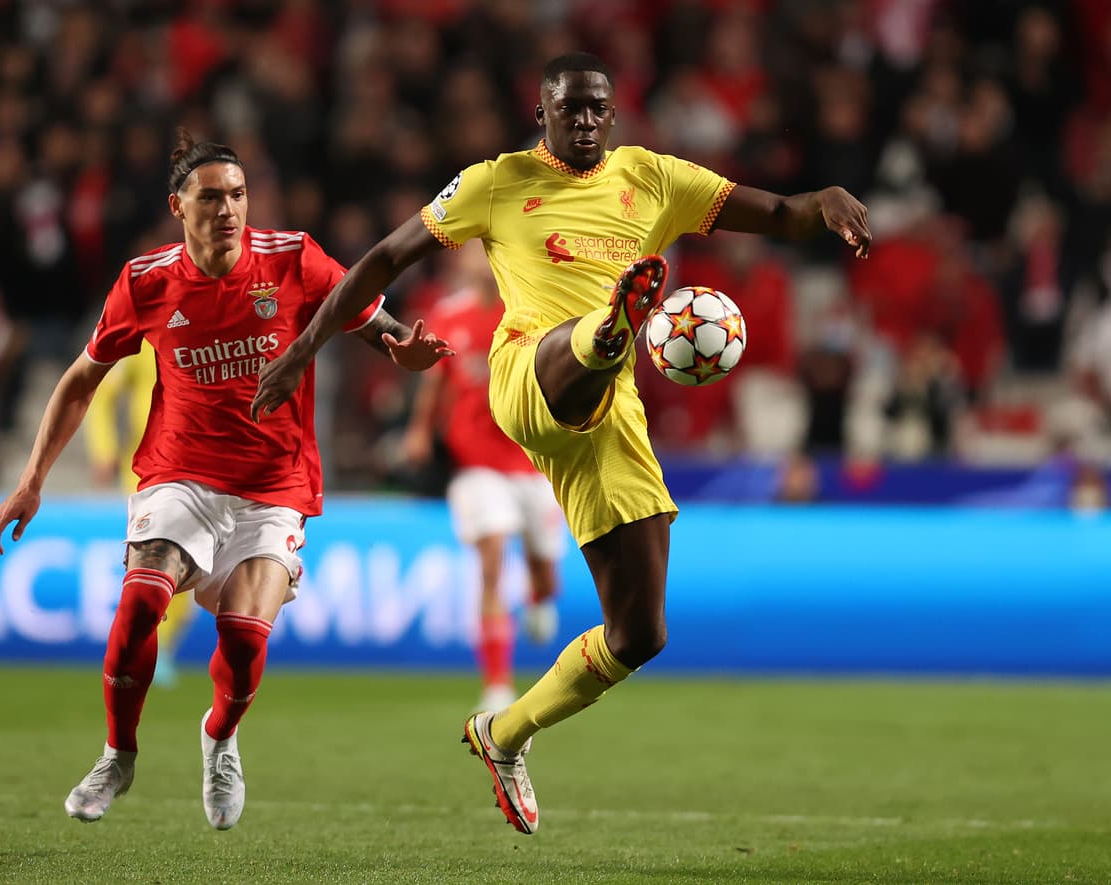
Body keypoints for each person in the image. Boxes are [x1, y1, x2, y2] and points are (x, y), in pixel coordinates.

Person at [252, 52, 870, 835]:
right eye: (568, 107)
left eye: (596, 108)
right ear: (540, 113)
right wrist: (301, 350)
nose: (583, 120)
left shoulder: (652, 177)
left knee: (639, 633)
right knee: (591, 340)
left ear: (612, 114)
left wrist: (825, 201)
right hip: (526, 370)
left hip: (612, 415)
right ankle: (613, 327)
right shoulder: (495, 182)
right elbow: (381, 259)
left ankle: (505, 732)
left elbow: (779, 211)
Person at [0, 129, 451, 830]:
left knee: (244, 638)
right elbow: (82, 380)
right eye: (210, 197)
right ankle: (118, 753)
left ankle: (220, 737)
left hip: (274, 485)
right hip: (182, 474)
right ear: (178, 206)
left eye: (237, 194)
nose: (228, 209)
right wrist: (32, 480)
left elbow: (369, 316)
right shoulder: (146, 282)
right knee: (140, 603)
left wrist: (400, 349)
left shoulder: (293, 258)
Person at [401, 241, 565, 713]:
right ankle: (497, 684)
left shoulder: (533, 313)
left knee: (544, 574)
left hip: (534, 461)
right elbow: (434, 380)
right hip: (475, 463)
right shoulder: (449, 315)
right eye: (473, 251)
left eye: (487, 249)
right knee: (491, 559)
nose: (480, 259)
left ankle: (538, 597)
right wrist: (418, 430)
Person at [84, 338, 196, 688]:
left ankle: (157, 649)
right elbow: (102, 395)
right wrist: (104, 449)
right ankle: (144, 650)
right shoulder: (145, 338)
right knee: (158, 562)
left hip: (197, 469)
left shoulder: (204, 331)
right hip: (145, 471)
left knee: (188, 572)